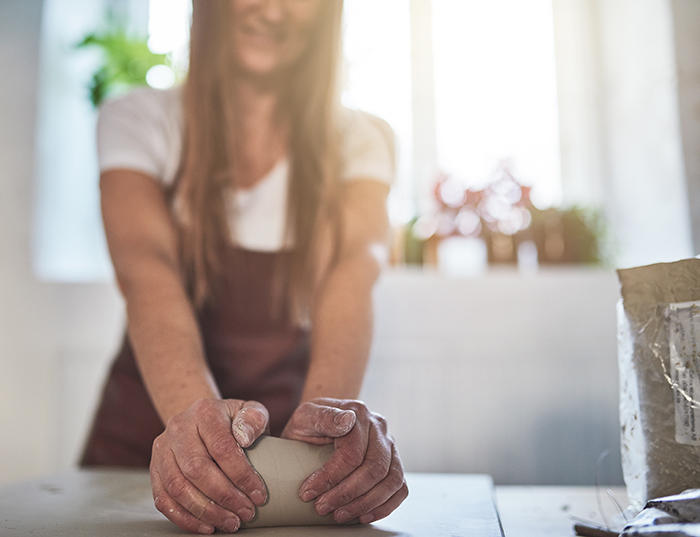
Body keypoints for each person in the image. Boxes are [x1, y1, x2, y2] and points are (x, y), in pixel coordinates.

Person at [80, 0, 408, 534]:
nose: (272, 9)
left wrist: (327, 431)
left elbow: (354, 273)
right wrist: (199, 439)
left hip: (280, 461)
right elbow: (148, 274)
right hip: (136, 450)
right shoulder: (138, 118)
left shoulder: (362, 138)